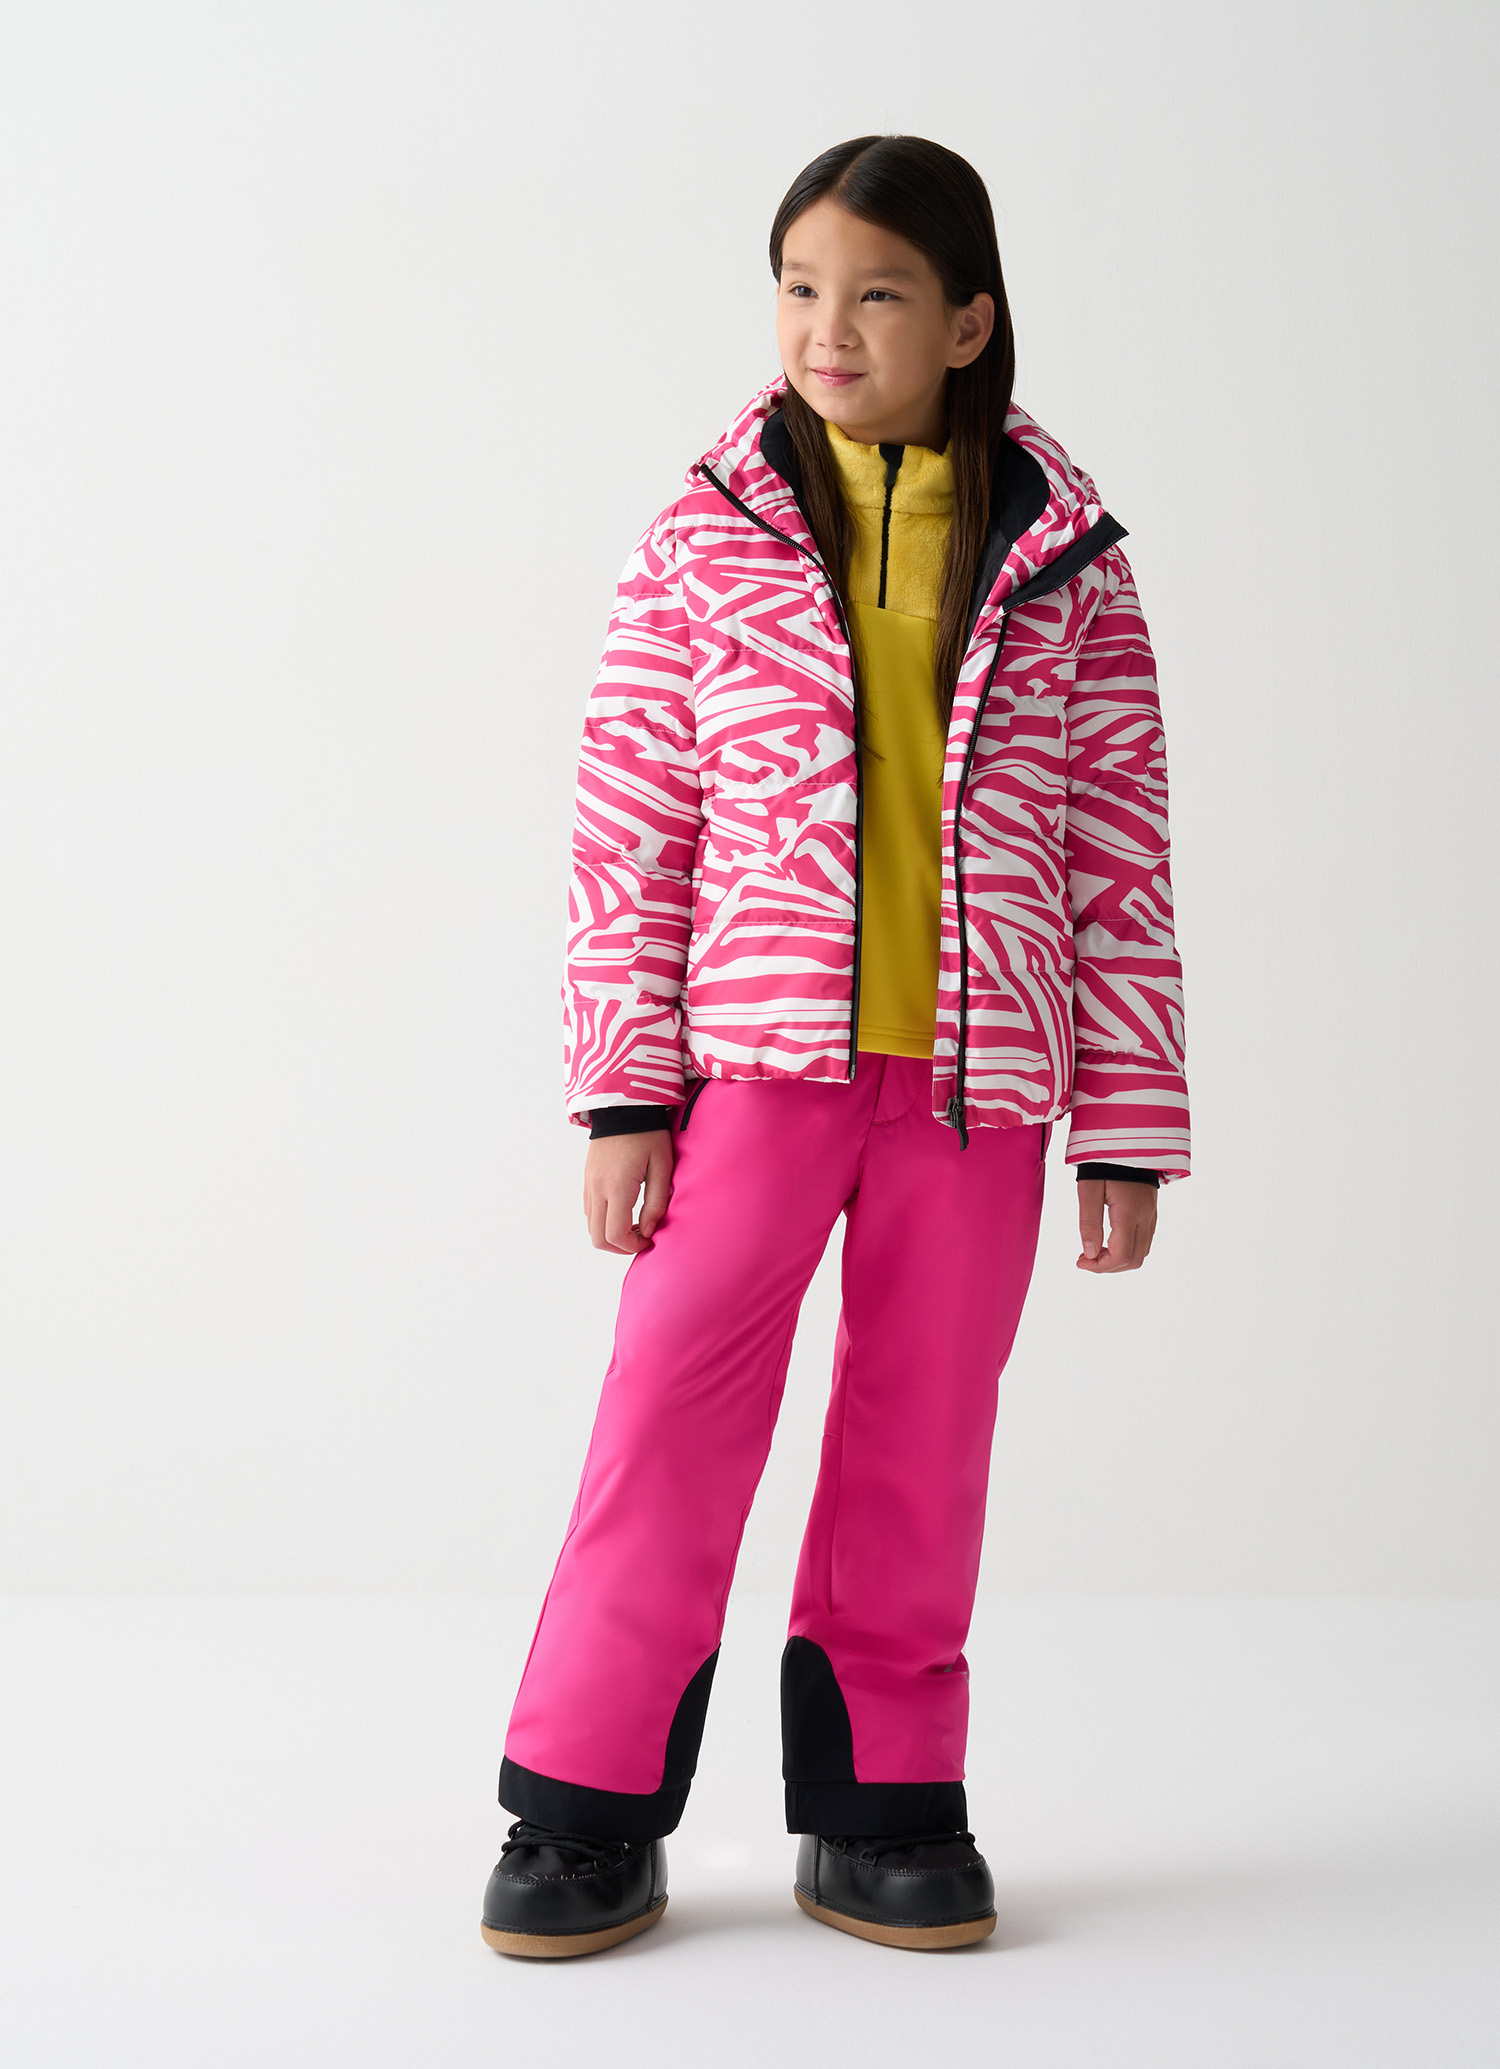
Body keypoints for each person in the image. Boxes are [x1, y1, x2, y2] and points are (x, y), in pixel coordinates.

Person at [480, 133, 1190, 1959]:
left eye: (877, 294)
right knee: (669, 1413)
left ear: (968, 321)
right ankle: (580, 1806)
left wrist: (1126, 1124)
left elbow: (1118, 855)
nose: (829, 330)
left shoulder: (1069, 560)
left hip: (980, 1091)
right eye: (800, 290)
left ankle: (885, 1802)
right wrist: (626, 1090)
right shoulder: (704, 536)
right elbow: (631, 823)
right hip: (757, 1074)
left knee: (922, 1435)